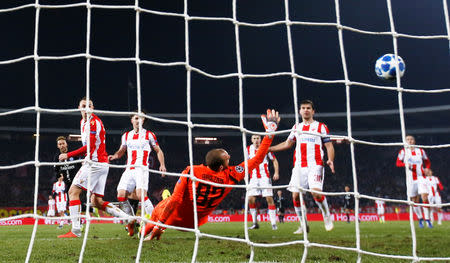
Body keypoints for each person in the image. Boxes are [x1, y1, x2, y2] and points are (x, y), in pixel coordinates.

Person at [141, 109, 280, 240]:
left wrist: (160, 226)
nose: (230, 156)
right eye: (227, 157)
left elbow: (175, 200)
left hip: (175, 217)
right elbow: (258, 158)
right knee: (169, 202)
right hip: (196, 222)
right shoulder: (231, 175)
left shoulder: (192, 171)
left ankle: (144, 232)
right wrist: (270, 133)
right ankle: (149, 227)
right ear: (221, 167)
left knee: (164, 204)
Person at [58, 97, 130, 238]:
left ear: (93, 108)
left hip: (95, 163)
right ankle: (128, 218)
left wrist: (68, 155)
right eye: (83, 106)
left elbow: (90, 146)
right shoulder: (83, 122)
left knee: (73, 192)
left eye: (89, 106)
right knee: (96, 201)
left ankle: (76, 230)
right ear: (79, 108)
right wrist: (79, 139)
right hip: (101, 164)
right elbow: (92, 141)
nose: (86, 109)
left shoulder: (93, 122)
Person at [268, 100, 335, 234]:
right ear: (300, 111)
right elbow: (287, 144)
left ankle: (327, 216)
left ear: (313, 111)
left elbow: (329, 145)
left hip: (315, 164)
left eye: (308, 108)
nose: (306, 110)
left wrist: (330, 160)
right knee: (295, 196)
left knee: (316, 192)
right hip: (299, 166)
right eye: (303, 108)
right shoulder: (296, 127)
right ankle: (303, 224)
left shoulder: (321, 127)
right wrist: (269, 148)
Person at [108, 112, 167, 236]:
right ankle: (131, 222)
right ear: (132, 120)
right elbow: (121, 151)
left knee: (141, 195)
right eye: (136, 118)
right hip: (129, 169)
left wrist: (162, 165)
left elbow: (158, 150)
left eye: (141, 118)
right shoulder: (126, 135)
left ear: (144, 120)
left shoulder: (149, 134)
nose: (138, 120)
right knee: (121, 194)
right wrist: (115, 156)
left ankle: (154, 222)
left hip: (142, 168)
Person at [396, 135, 432, 228]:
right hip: (411, 179)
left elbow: (427, 161)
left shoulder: (421, 151)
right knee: (414, 200)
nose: (410, 141)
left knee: (424, 197)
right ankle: (420, 219)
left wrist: (427, 168)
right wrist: (405, 164)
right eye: (407, 139)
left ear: (414, 141)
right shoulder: (403, 151)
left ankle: (428, 220)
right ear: (405, 141)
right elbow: (398, 163)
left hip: (421, 177)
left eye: (411, 139)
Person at [246, 134, 279, 230]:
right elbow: (246, 162)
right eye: (254, 138)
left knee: (269, 198)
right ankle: (255, 223)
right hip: (253, 178)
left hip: (265, 177)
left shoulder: (265, 148)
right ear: (251, 140)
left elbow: (274, 160)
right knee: (250, 199)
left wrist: (276, 172)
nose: (256, 140)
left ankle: (273, 223)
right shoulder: (248, 149)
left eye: (258, 138)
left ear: (260, 140)